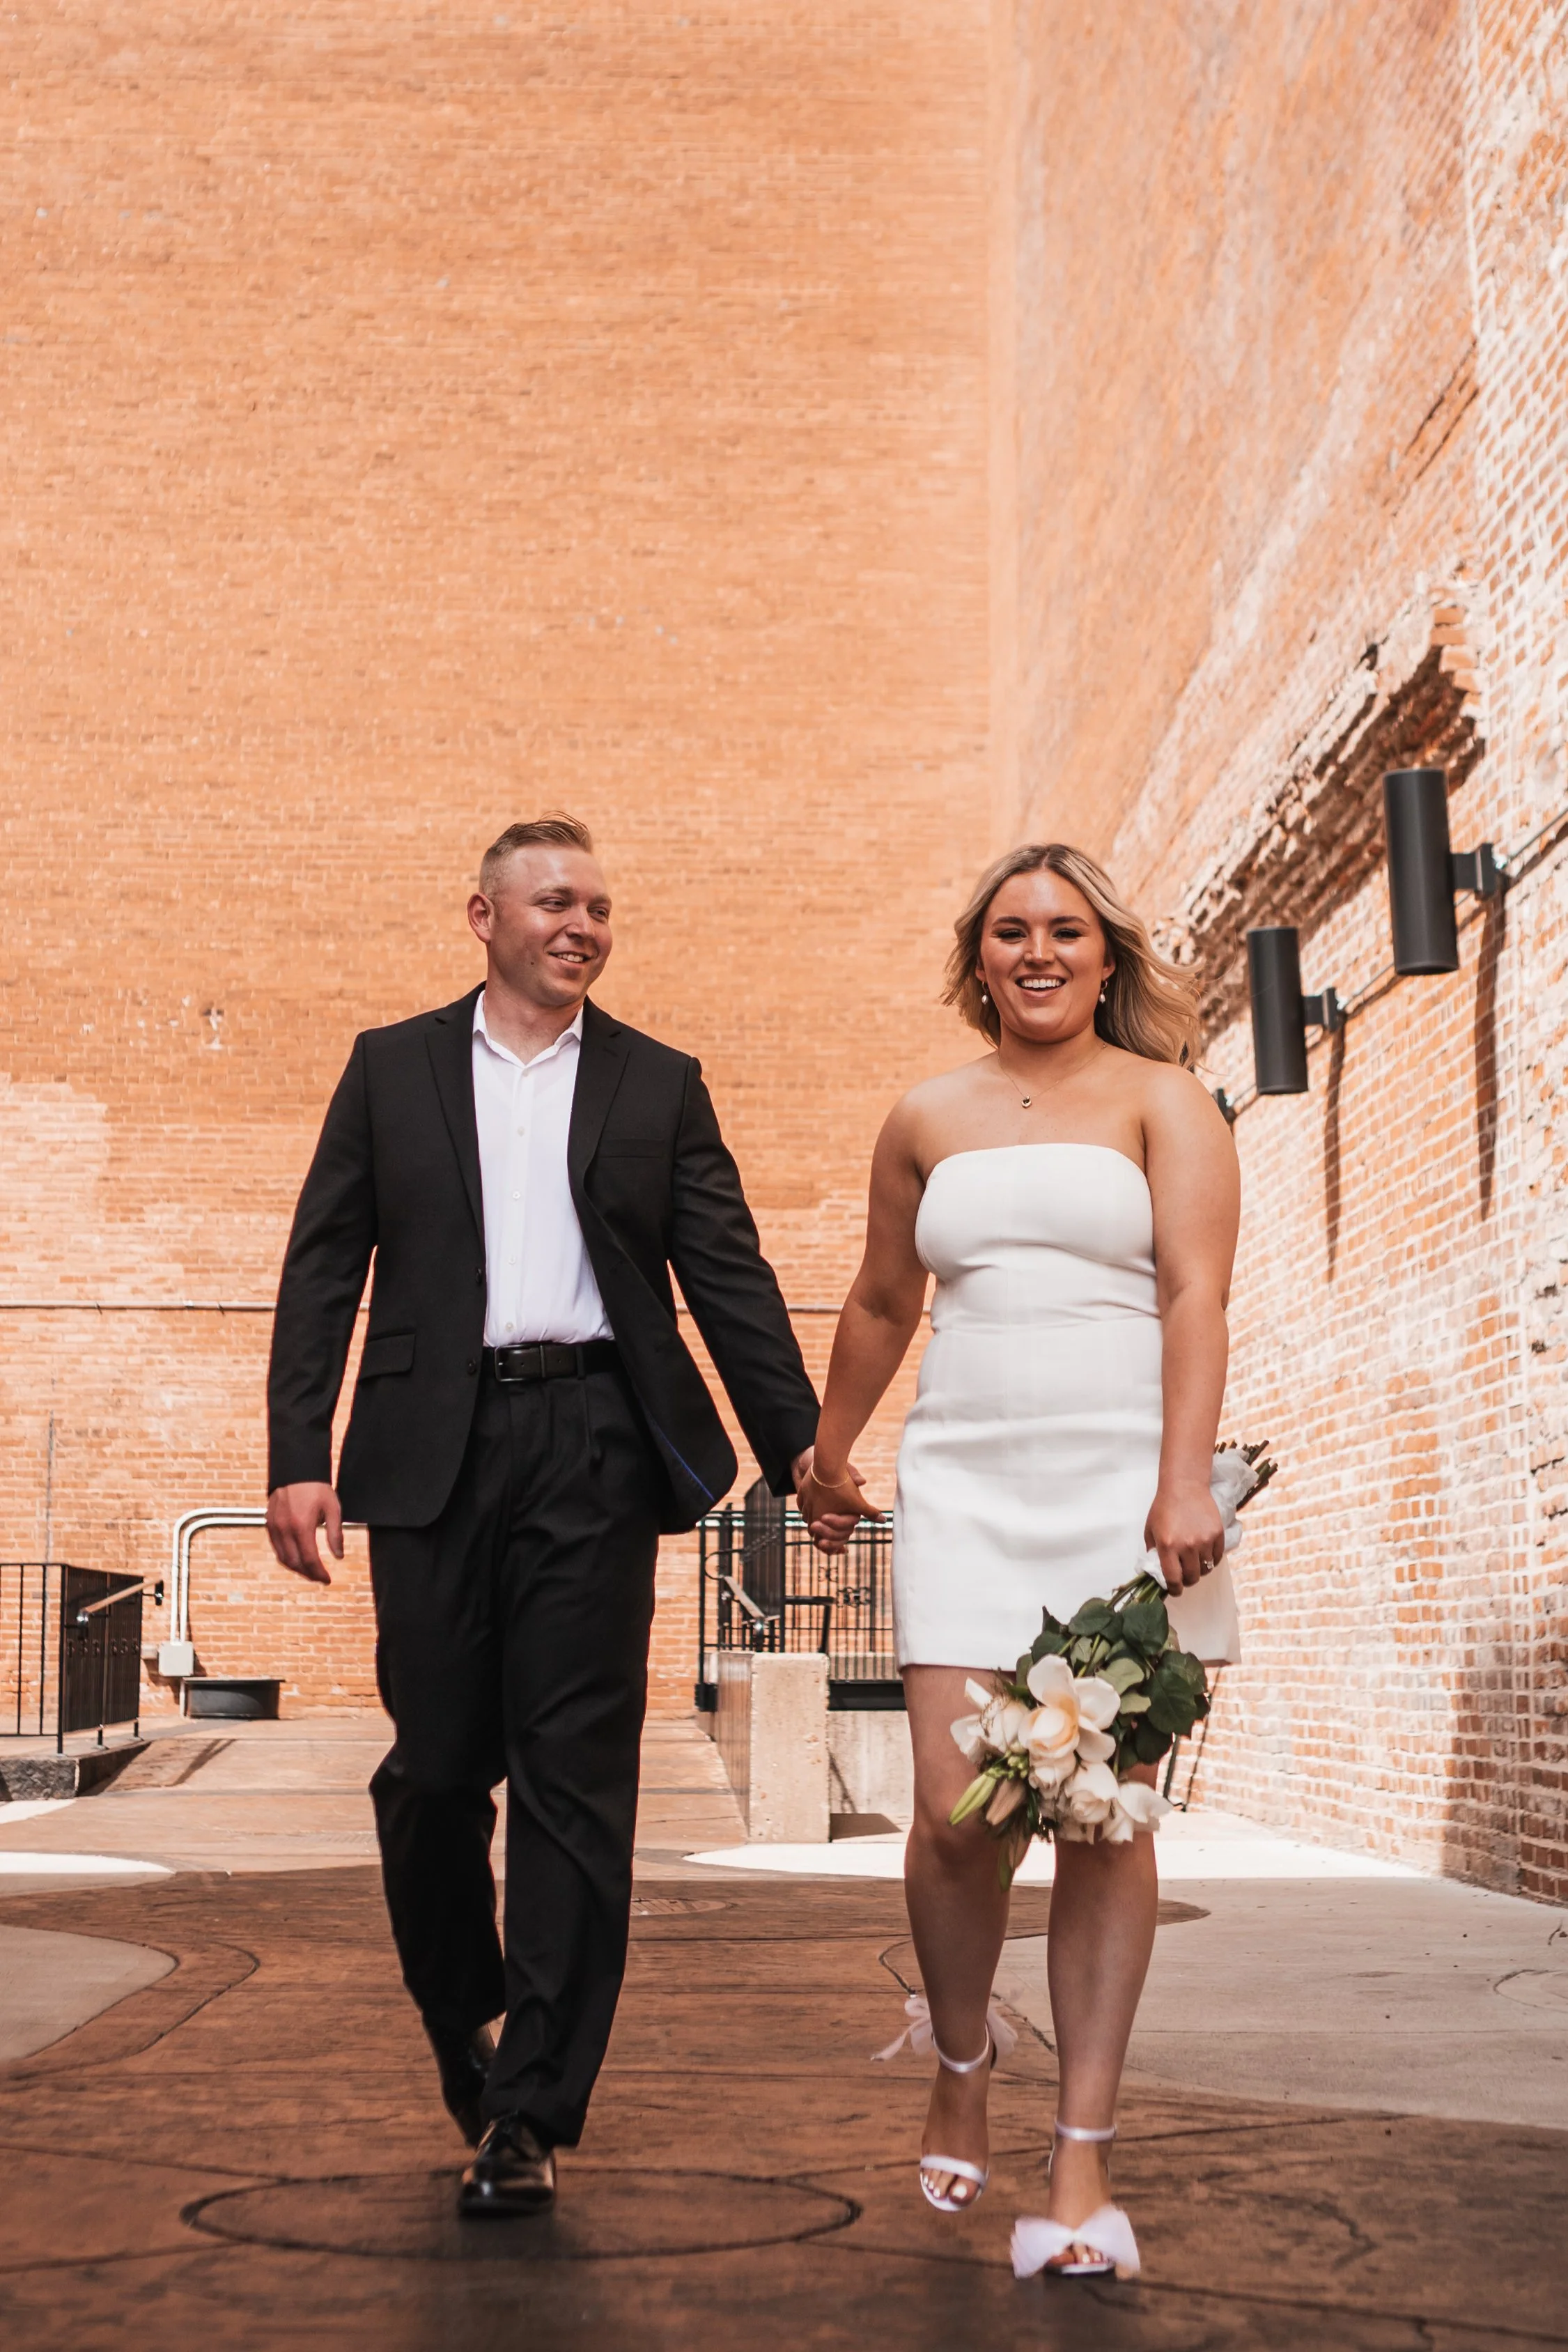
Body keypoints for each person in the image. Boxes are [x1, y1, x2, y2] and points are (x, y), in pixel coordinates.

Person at [265, 814, 824, 2218]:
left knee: (577, 1780)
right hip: (428, 1445)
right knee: (437, 1771)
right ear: (484, 914)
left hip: (592, 1439)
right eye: (555, 900)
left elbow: (729, 1272)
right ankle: (472, 2020)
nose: (581, 924)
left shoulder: (658, 1083)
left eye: (599, 906)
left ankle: (532, 2106)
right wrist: (297, 1451)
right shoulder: (390, 1069)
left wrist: (799, 1444)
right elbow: (325, 1261)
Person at [796, 842, 1239, 2280]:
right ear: (975, 957)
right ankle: (964, 2048)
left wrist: (1182, 1478)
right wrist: (828, 1447)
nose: (1038, 952)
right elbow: (880, 1293)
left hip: (1121, 1488)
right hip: (968, 1479)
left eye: (1066, 930)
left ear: (1110, 955)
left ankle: (1081, 2163)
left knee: (1105, 1815)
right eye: (1010, 931)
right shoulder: (925, 1114)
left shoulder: (1168, 1100)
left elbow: (1194, 1289)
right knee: (956, 1809)